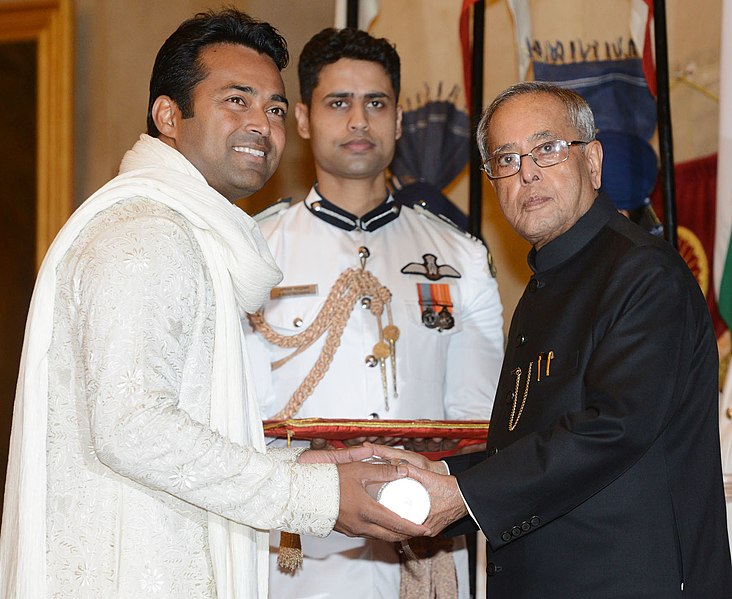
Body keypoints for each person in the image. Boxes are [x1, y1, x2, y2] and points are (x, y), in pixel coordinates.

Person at [0, 10, 428, 598]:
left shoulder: (189, 232)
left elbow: (190, 423)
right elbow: (132, 427)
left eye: (275, 108)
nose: (262, 124)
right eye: (237, 100)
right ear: (169, 116)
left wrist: (312, 464)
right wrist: (316, 498)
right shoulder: (146, 234)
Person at [374, 81, 732, 598]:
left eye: (547, 148)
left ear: (593, 161)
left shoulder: (644, 275)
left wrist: (464, 494)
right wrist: (438, 475)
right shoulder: (546, 284)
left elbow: (612, 429)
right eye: (507, 158)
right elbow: (532, 444)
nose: (528, 172)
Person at [245, 27, 504, 598]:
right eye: (339, 103)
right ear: (306, 119)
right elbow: (232, 417)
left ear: (400, 120)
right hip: (298, 552)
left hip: (421, 537)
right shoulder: (254, 251)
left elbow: (479, 421)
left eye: (376, 103)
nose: (359, 120)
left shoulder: (459, 256)